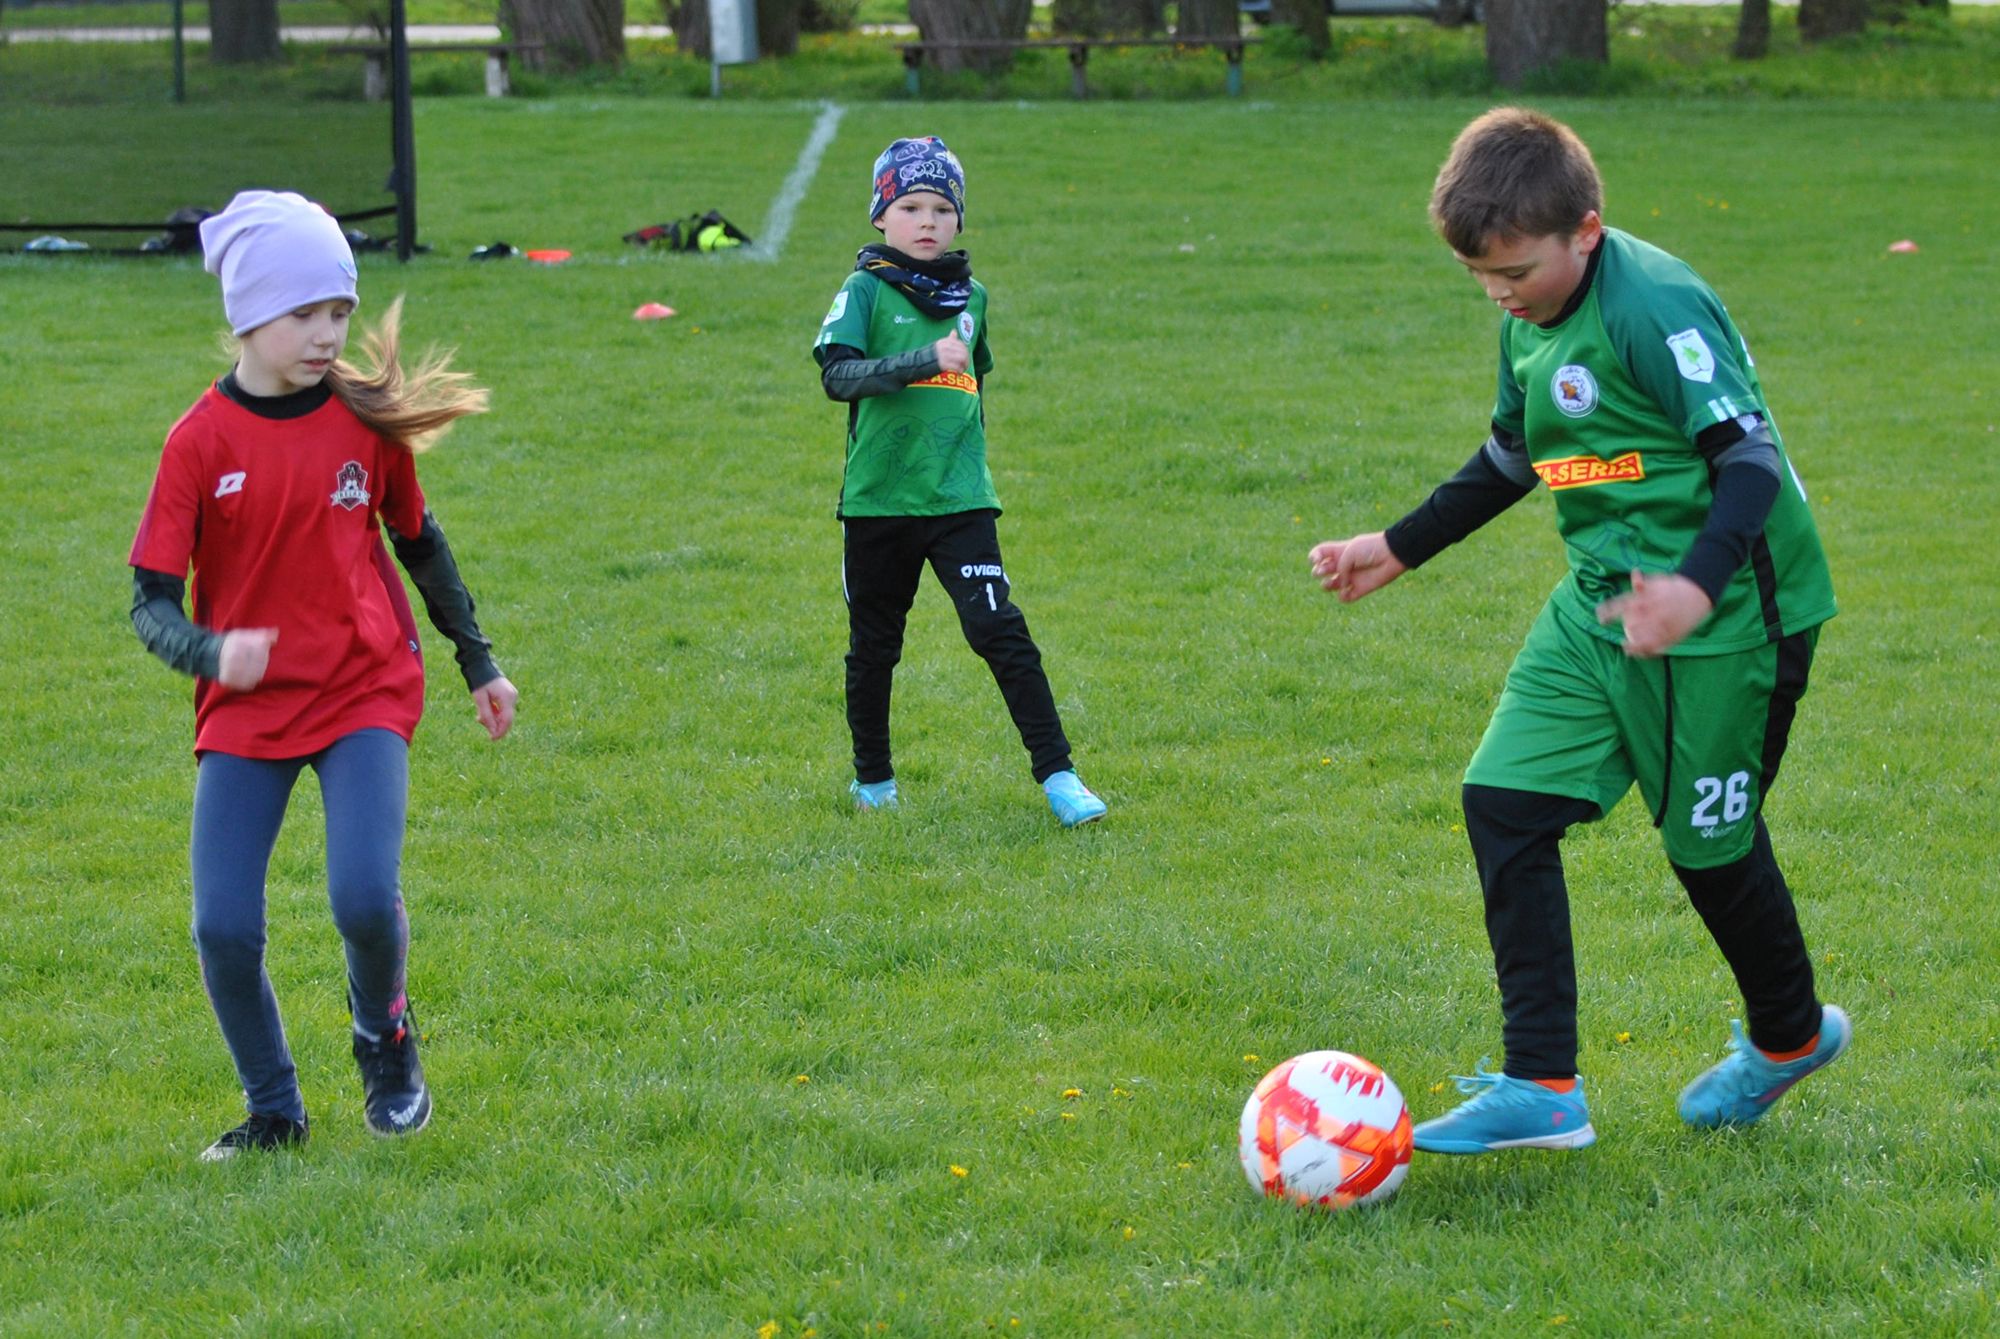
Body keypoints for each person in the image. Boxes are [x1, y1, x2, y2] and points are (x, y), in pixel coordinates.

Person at [1310, 108, 1847, 1153]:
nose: (1498, 295)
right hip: (1598, 603)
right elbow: (1515, 454)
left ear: (1585, 232)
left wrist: (1692, 588)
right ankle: (1540, 1081)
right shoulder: (1525, 311)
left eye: (1513, 272)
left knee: (1708, 851)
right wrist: (1399, 543)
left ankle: (1788, 1039)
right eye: (1478, 277)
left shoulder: (1653, 305)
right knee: (1501, 802)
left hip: (1731, 615)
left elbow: (1748, 462)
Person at [128, 190, 518, 1161]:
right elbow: (148, 603)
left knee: (357, 893)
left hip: (362, 688)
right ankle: (274, 1111)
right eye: (305, 312)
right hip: (247, 708)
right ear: (248, 314)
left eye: (339, 312)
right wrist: (216, 654)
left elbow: (420, 546)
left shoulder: (362, 423)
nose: (326, 332)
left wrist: (479, 662)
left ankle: (383, 1039)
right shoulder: (198, 443)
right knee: (221, 926)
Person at [812, 136, 1106, 827]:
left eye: (942, 208)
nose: (927, 221)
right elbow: (836, 377)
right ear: (882, 216)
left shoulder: (973, 297)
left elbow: (975, 389)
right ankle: (874, 781)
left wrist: (969, 466)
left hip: (960, 501)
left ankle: (1060, 776)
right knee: (875, 644)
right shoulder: (862, 291)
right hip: (879, 502)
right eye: (911, 206)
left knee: (999, 628)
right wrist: (918, 359)